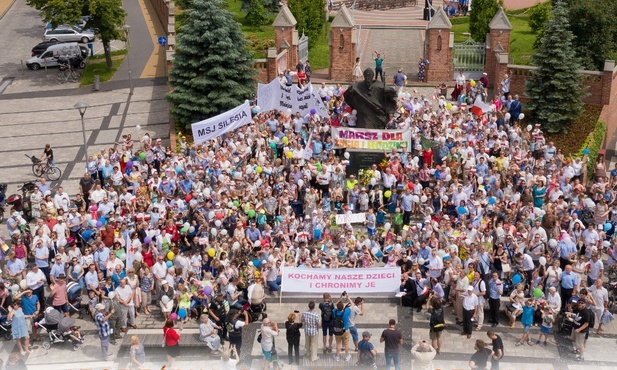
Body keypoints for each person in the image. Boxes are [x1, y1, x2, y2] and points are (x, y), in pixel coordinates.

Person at [332, 297, 352, 362]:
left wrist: (340, 298)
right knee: (346, 344)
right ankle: (346, 356)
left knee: (338, 344)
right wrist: (348, 297)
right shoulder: (346, 312)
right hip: (345, 329)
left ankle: (337, 356)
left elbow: (334, 305)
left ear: (337, 307)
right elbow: (352, 304)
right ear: (343, 307)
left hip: (337, 330)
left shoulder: (334, 311)